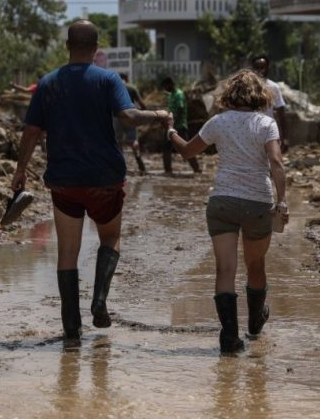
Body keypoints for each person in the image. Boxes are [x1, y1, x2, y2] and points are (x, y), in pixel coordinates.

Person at [12, 20, 171, 346]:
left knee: (67, 254)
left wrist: (20, 170)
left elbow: (30, 132)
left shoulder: (48, 83)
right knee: (110, 238)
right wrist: (158, 114)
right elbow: (128, 117)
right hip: (105, 179)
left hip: (64, 181)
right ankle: (99, 300)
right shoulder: (109, 79)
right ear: (96, 48)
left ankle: (72, 328)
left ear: (67, 46)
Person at [165, 69, 288, 354]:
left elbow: (186, 151)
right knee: (255, 266)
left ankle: (229, 338)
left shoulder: (217, 122)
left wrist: (171, 130)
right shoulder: (267, 124)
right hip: (258, 202)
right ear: (260, 95)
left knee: (225, 269)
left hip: (222, 202)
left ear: (229, 94)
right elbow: (276, 163)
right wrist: (281, 202)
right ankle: (255, 323)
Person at [161, 77, 201, 174]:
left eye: (166, 86)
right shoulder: (170, 95)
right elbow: (171, 110)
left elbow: (180, 109)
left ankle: (197, 170)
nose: (165, 89)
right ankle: (168, 171)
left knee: (187, 148)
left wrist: (173, 124)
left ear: (170, 84)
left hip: (180, 127)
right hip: (170, 127)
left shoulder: (179, 94)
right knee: (166, 148)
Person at [251, 56, 290, 153]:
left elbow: (281, 113)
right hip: (250, 131)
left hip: (268, 131)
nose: (260, 71)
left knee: (270, 161)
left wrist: (284, 137)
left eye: (263, 67)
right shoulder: (247, 88)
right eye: (257, 68)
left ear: (268, 68)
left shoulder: (273, 87)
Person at [114, 73, 148, 173]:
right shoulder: (132, 88)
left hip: (118, 117)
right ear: (126, 78)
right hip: (131, 116)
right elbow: (142, 104)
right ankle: (141, 166)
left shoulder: (113, 88)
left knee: (118, 142)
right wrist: (142, 113)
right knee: (133, 141)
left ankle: (120, 167)